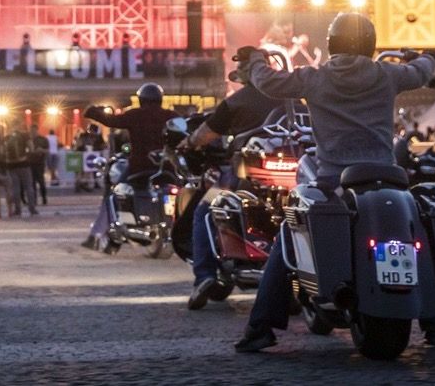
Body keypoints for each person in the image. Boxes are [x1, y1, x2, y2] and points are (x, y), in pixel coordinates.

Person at [232, 13, 435, 352]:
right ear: (370, 44)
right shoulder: (387, 74)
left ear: (332, 43)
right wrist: (430, 56)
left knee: (289, 235)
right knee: (417, 232)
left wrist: (256, 60)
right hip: (386, 178)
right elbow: (421, 71)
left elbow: (269, 82)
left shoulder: (315, 77)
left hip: (335, 180)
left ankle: (260, 328)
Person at [182, 82, 301, 310]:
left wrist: (188, 142)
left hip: (245, 174)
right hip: (294, 171)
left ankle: (204, 275)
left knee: (204, 212)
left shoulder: (238, 100)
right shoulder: (293, 97)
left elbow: (205, 133)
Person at [81, 83, 172, 251]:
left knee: (114, 194)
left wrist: (92, 111)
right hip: (168, 168)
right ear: (160, 99)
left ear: (141, 99)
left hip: (140, 166)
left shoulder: (136, 115)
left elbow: (111, 121)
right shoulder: (171, 116)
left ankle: (105, 239)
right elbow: (187, 127)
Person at [5, 127, 38, 216]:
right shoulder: (25, 135)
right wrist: (28, 155)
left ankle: (18, 209)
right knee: (28, 187)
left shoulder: (8, 136)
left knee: (16, 188)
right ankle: (32, 208)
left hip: (11, 165)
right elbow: (31, 148)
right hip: (24, 164)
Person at [29, 130, 50, 206]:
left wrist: (41, 150)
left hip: (40, 163)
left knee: (41, 182)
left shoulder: (43, 139)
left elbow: (48, 150)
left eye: (34, 131)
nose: (33, 133)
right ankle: (34, 200)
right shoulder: (28, 139)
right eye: (32, 131)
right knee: (32, 183)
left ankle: (44, 198)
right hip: (30, 164)